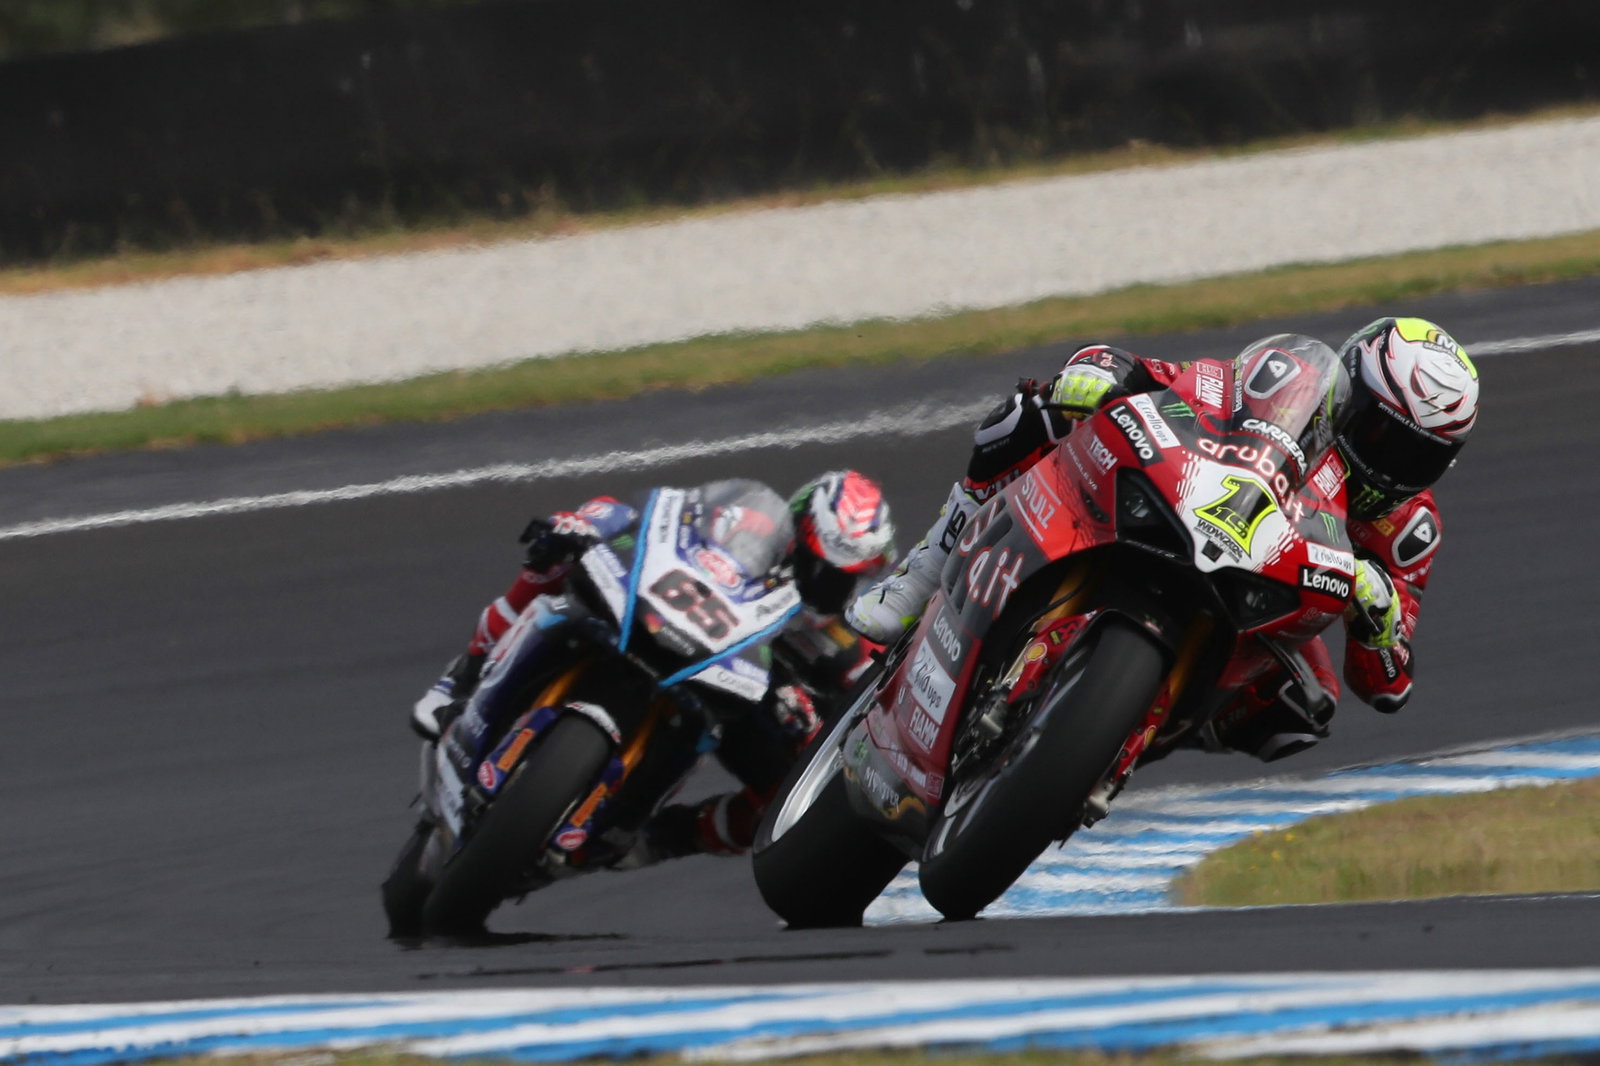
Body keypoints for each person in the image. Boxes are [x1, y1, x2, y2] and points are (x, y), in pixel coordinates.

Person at [848, 317, 1480, 761]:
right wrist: (1105, 371)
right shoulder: (1287, 381)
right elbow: (1183, 380)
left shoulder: (1408, 530)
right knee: (1032, 414)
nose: (1390, 463)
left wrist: (1380, 623)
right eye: (1378, 433)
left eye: (1417, 455)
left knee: (1305, 704)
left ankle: (1128, 728)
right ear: (1349, 391)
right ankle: (928, 566)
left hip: (1270, 594)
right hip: (1195, 501)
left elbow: (1388, 684)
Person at [412, 470, 896, 862]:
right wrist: (592, 525)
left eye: (846, 578)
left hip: (740, 700)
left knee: (791, 799)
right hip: (670, 620)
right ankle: (461, 676)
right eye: (821, 567)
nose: (830, 585)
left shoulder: (847, 637)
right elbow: (674, 518)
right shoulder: (751, 523)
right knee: (572, 538)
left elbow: (867, 708)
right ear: (798, 532)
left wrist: (809, 718)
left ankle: (664, 838)